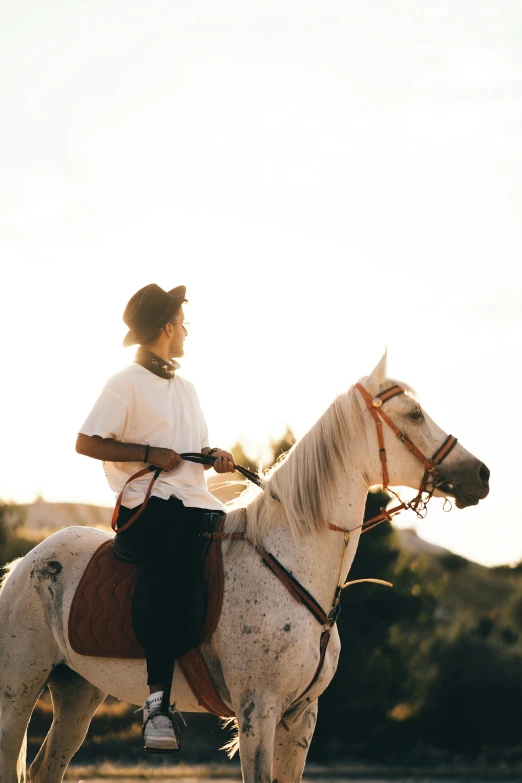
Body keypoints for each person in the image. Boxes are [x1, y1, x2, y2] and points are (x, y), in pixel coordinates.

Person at [76, 283, 235, 753]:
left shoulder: (187, 388)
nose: (187, 331)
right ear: (168, 328)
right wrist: (148, 453)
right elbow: (86, 441)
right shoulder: (123, 382)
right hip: (146, 504)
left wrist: (214, 455)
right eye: (184, 323)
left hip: (196, 499)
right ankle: (157, 703)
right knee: (169, 567)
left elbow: (192, 449)